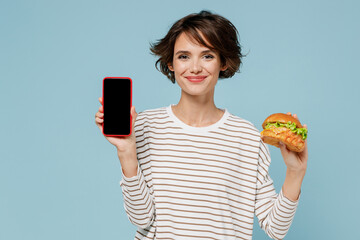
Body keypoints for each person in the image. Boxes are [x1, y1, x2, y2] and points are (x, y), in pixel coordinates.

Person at [95, 10, 308, 240]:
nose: (195, 68)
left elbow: (275, 229)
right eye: (184, 56)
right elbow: (141, 218)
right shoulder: (145, 126)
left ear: (223, 62)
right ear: (171, 63)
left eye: (207, 56)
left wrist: (295, 172)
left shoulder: (246, 137)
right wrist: (126, 152)